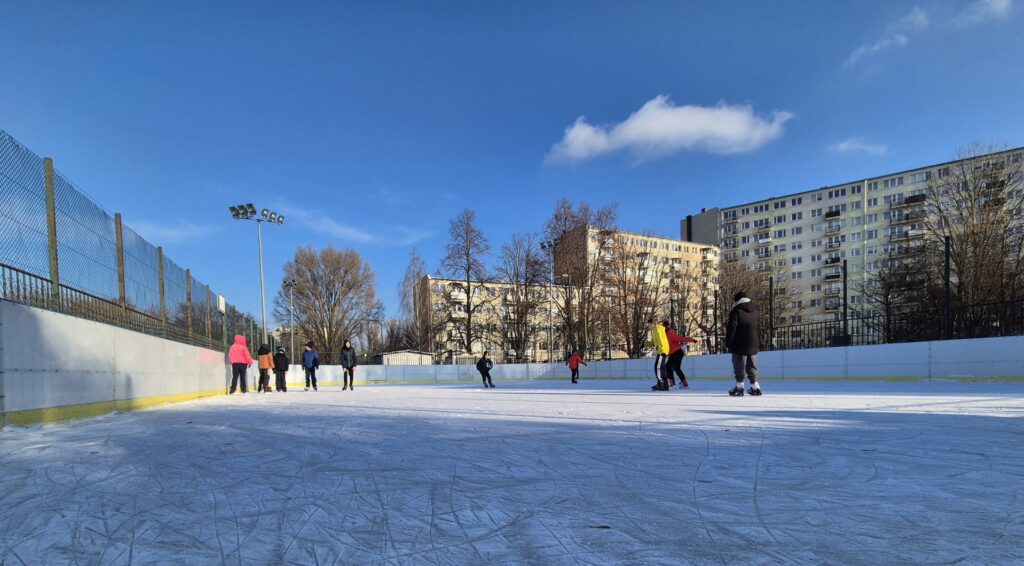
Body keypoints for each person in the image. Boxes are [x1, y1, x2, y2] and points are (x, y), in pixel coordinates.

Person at [725, 291, 762, 396]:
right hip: (753, 341)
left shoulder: (736, 311)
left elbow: (732, 328)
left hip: (739, 342)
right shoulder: (756, 310)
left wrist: (728, 342)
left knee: (739, 364)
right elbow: (757, 326)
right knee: (752, 365)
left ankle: (739, 386)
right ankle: (755, 386)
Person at [665, 323, 697, 389]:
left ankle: (671, 384)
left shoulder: (670, 333)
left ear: (668, 326)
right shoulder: (665, 334)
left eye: (666, 326)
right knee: (676, 368)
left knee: (668, 366)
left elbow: (680, 339)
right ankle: (685, 384)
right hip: (676, 353)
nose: (665, 328)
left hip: (676, 352)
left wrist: (691, 340)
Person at [647, 319, 670, 391]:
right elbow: (654, 342)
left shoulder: (657, 329)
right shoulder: (654, 330)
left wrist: (662, 350)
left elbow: (661, 340)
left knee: (657, 367)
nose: (648, 326)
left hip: (661, 351)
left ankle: (661, 383)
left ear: (653, 324)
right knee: (662, 368)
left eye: (649, 324)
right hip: (661, 350)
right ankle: (666, 385)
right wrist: (644, 345)